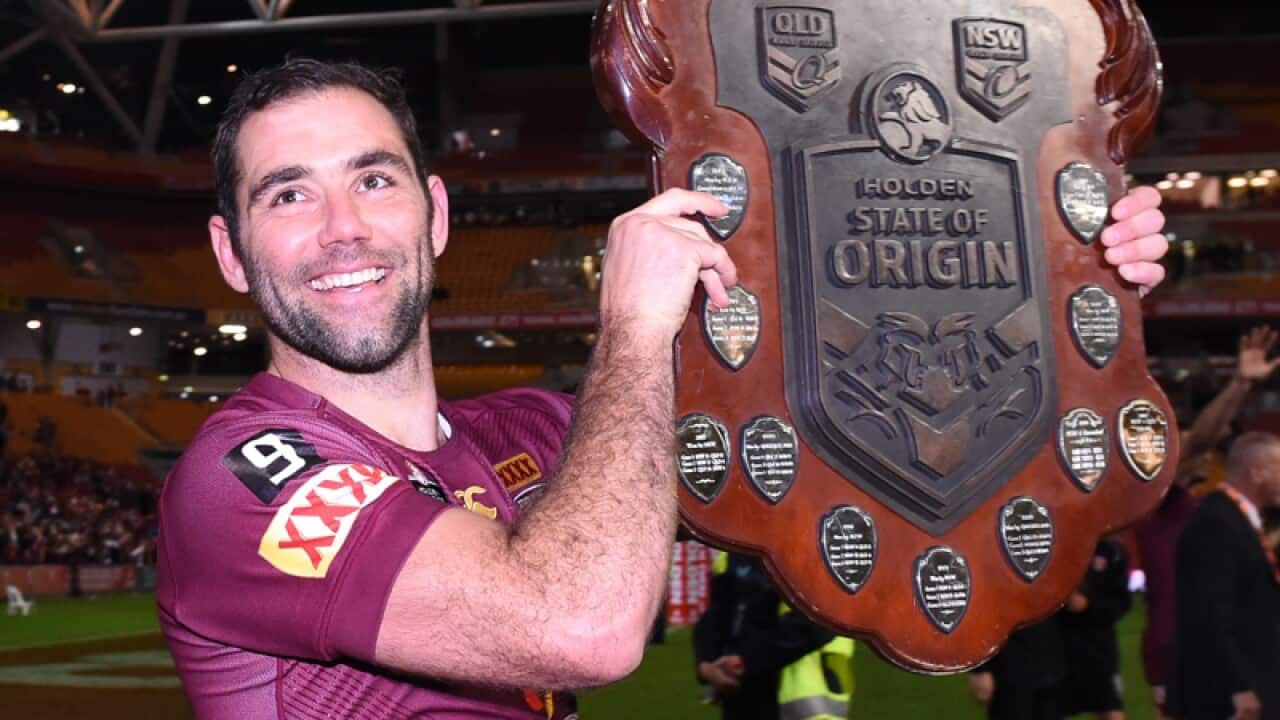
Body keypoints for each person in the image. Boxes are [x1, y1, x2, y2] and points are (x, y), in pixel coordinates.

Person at [155, 57, 1172, 718]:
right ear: (230, 253)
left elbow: (857, 452)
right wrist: (637, 326)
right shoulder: (242, 475)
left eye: (372, 180)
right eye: (287, 195)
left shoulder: (529, 432)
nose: (342, 228)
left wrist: (1059, 278)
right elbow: (577, 627)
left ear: (435, 214)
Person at [1136, 326, 1280, 718]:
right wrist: (1239, 385)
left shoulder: (1214, 508)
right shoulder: (1162, 502)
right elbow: (1201, 438)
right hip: (1182, 645)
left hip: (1208, 645)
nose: (1202, 454)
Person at [1169, 432, 1280, 720]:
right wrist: (1238, 686)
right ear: (1257, 471)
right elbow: (1208, 613)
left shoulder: (1237, 518)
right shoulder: (1216, 523)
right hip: (1227, 696)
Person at [694, 552, 854, 720]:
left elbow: (819, 621)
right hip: (741, 693)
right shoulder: (731, 553)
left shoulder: (819, 548)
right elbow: (713, 617)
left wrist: (744, 660)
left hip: (806, 696)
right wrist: (706, 665)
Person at [1060, 537, 1132, 720]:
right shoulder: (1057, 545)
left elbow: (1121, 602)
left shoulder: (1111, 550)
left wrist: (1089, 605)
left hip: (1100, 651)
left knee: (1111, 709)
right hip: (1059, 649)